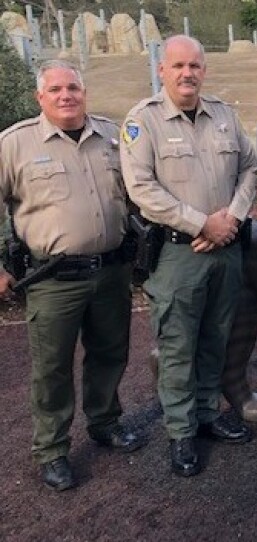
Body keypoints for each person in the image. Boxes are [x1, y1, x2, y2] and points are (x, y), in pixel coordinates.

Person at [0, 60, 146, 491]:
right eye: (57, 90)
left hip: (112, 270)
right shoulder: (14, 144)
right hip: (52, 279)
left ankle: (105, 422)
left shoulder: (112, 137)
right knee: (52, 367)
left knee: (110, 352)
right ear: (40, 98)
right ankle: (53, 449)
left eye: (74, 88)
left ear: (85, 92)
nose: (67, 96)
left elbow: (136, 195)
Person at [121, 35, 257, 477]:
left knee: (216, 337)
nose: (187, 73)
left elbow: (251, 169)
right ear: (162, 70)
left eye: (195, 65)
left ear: (204, 70)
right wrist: (201, 223)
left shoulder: (224, 115)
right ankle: (181, 432)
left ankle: (206, 413)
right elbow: (141, 188)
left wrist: (231, 219)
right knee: (178, 347)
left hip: (226, 248)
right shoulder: (143, 121)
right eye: (178, 65)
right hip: (179, 255)